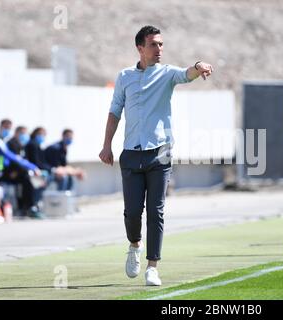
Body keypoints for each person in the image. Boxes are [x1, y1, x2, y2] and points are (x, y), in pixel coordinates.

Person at [99, 25, 213, 286]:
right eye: (153, 44)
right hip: (130, 153)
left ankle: (153, 267)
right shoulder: (125, 76)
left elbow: (187, 74)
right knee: (131, 212)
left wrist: (199, 65)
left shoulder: (167, 73)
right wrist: (107, 145)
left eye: (161, 44)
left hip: (160, 153)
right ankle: (134, 245)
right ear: (140, 47)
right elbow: (115, 111)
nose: (159, 49)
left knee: (156, 211)